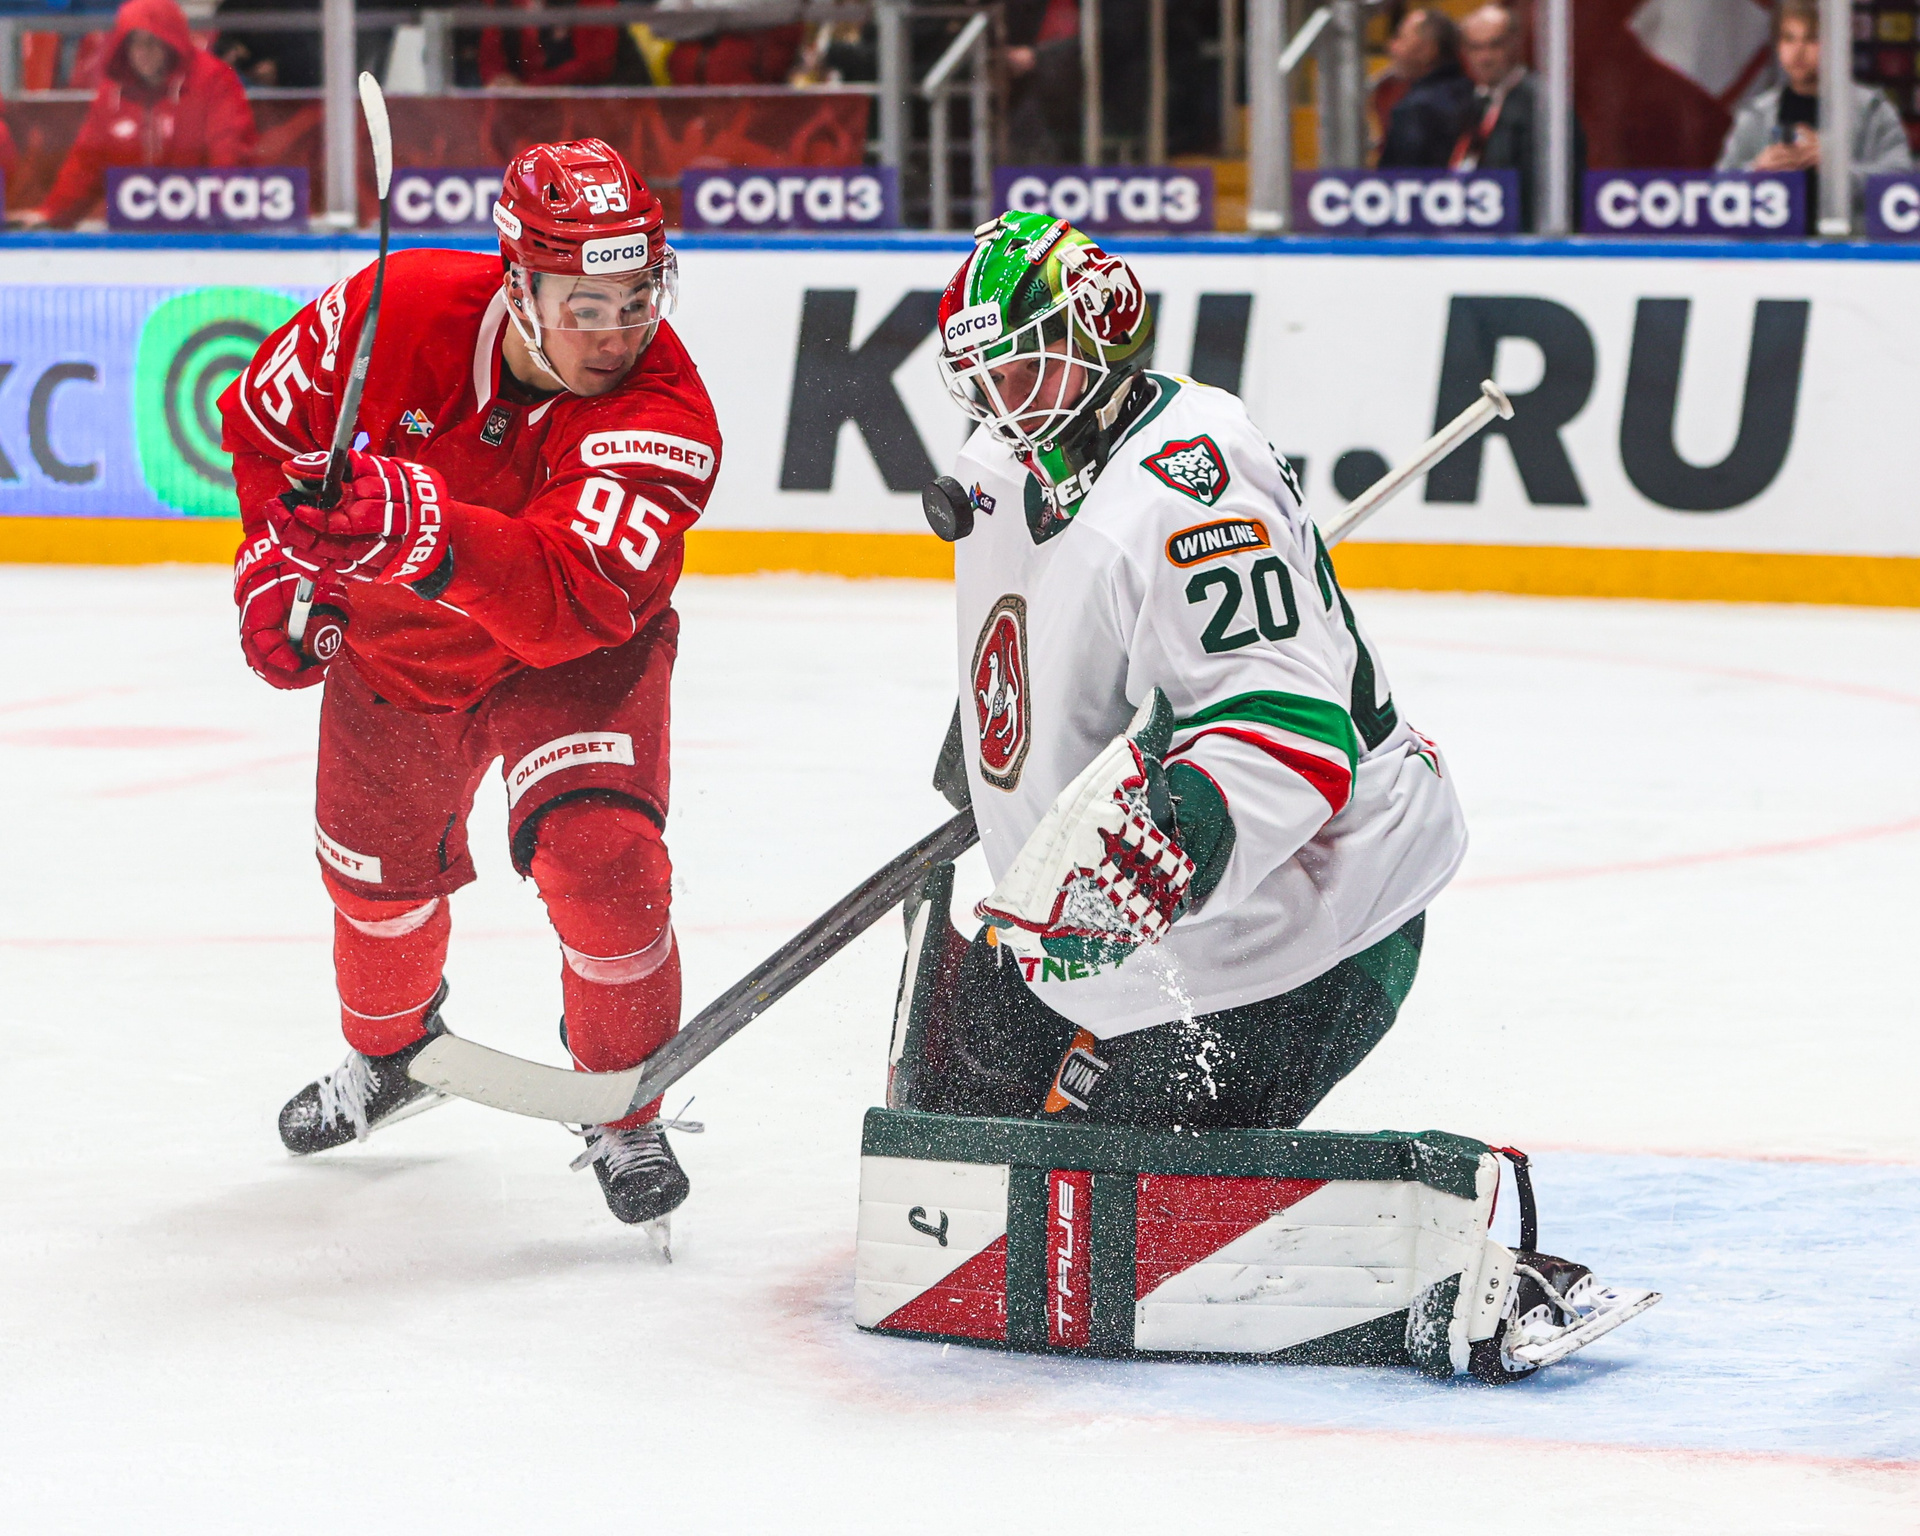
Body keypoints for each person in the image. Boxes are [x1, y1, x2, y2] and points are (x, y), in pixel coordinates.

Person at [217, 139, 721, 1232]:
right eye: (587, 305)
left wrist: (426, 529)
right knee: (375, 891)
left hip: (576, 658)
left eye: (639, 300)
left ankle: (626, 1105)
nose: (618, 335)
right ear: (518, 284)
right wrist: (274, 561)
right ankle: (389, 1059)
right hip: (399, 648)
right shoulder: (390, 310)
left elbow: (568, 593)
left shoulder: (666, 413)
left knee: (603, 862)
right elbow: (261, 426)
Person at [893, 208, 1465, 1136]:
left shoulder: (1187, 491)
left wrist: (1175, 841)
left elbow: (1291, 735)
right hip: (1107, 934)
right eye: (988, 381)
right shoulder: (1004, 457)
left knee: (1103, 1188)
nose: (1008, 404)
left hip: (1306, 918)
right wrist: (1010, 736)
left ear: (1102, 336)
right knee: (963, 1112)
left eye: (1028, 369)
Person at [29, 0, 256, 229]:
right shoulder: (112, 93)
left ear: (171, 41)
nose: (143, 52)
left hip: (201, 231)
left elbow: (229, 156)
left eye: (152, 41)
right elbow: (86, 164)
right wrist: (51, 215)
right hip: (134, 232)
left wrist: (219, 220)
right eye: (134, 42)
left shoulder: (214, 80)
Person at [1717, 0, 1912, 211]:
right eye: (1789, 39)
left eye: (1811, 39)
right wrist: (1757, 171)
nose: (1798, 51)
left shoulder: (1872, 110)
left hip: (1847, 231)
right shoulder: (1756, 113)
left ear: (1835, 45)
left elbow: (1901, 181)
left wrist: (1835, 168)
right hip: (1775, 232)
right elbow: (1718, 188)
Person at [1451, 3, 1586, 232]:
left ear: (1515, 43)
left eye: (1495, 46)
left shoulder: (1542, 106)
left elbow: (1558, 187)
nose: (1484, 57)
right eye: (1475, 48)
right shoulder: (1466, 102)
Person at [1376, 7, 1473, 169]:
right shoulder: (1474, 92)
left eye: (1400, 38)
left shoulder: (1415, 110)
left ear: (1428, 50)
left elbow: (1400, 178)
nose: (1391, 47)